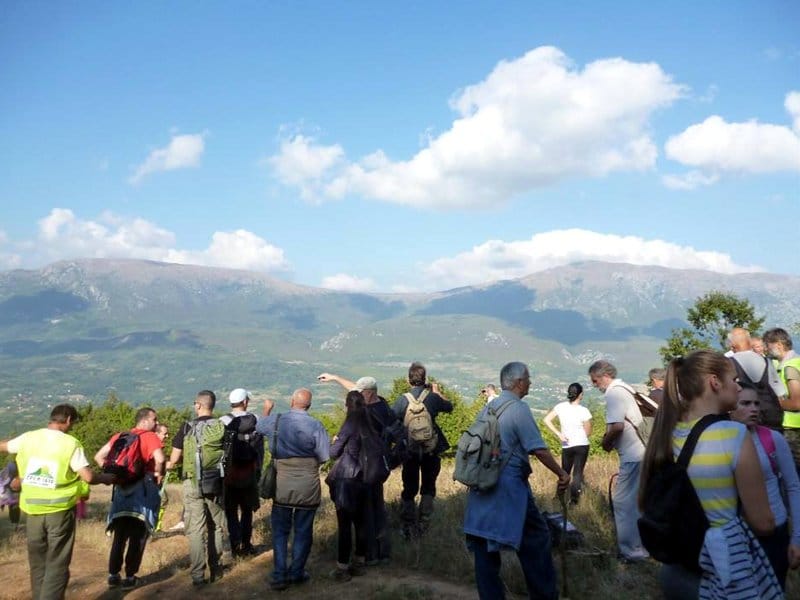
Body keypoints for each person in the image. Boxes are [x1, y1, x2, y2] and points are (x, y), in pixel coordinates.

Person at [639, 350, 781, 599]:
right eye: (734, 380)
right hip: (719, 572)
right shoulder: (733, 434)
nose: (738, 388)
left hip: (676, 570)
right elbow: (763, 523)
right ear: (714, 382)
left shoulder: (665, 433)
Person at [463, 361, 570, 600]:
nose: (530, 382)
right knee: (536, 540)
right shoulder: (519, 409)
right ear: (519, 382)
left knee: (483, 545)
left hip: (481, 486)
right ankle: (544, 595)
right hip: (510, 490)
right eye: (528, 378)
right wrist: (562, 474)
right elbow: (539, 450)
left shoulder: (489, 408)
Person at [0, 404, 114, 600]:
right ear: (68, 419)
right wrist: (105, 478)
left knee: (38, 562)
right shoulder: (71, 443)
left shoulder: (29, 437)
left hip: (32, 510)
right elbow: (87, 477)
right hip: (60, 511)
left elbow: (4, 446)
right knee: (57, 563)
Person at [317, 372, 401, 564]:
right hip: (377, 468)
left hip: (362, 470)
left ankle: (372, 555)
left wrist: (337, 441)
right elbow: (355, 392)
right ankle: (378, 554)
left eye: (361, 392)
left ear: (369, 394)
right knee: (375, 510)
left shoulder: (368, 413)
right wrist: (335, 378)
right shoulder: (384, 406)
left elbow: (335, 451)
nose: (358, 395)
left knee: (369, 514)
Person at [256, 389, 330, 591]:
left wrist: (267, 409)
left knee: (280, 531)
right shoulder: (316, 425)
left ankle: (279, 575)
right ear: (310, 405)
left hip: (282, 482)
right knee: (303, 530)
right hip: (308, 483)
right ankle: (297, 572)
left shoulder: (276, 421)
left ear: (291, 402)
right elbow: (324, 456)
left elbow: (259, 426)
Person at [731, 383, 800, 589]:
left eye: (756, 404)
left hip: (774, 532)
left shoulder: (772, 438)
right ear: (729, 408)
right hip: (737, 535)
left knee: (773, 589)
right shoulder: (719, 439)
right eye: (745, 403)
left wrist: (797, 538)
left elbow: (793, 486)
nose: (754, 408)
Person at [95, 407, 165, 589]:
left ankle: (113, 575)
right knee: (138, 536)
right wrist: (158, 474)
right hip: (141, 493)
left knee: (120, 536)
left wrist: (116, 474)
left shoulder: (120, 436)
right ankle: (130, 577)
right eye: (154, 420)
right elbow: (160, 458)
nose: (156, 423)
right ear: (144, 421)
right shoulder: (149, 437)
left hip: (120, 493)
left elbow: (99, 457)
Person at [588, 360, 649, 562]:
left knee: (623, 503)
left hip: (632, 456)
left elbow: (617, 427)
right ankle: (642, 546)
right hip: (641, 453)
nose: (595, 385)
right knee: (637, 502)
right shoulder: (625, 389)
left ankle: (631, 551)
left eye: (595, 381)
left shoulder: (614, 393)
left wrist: (605, 444)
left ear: (604, 376)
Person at [168, 390, 229, 587]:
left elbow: (175, 459)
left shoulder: (186, 427)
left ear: (198, 405)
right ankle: (217, 569)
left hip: (192, 482)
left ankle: (197, 576)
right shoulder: (221, 426)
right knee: (215, 526)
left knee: (195, 529)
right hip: (215, 481)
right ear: (212, 405)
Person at [392, 362, 453, 538]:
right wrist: (437, 392)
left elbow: (391, 419)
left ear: (408, 380)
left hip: (409, 451)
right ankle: (424, 524)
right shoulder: (433, 398)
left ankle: (407, 525)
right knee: (428, 486)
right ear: (425, 378)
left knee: (409, 488)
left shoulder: (402, 400)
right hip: (430, 450)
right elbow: (449, 407)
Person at [326, 390, 377, 582]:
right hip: (365, 478)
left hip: (347, 479)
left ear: (347, 405)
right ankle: (360, 561)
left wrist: (333, 442)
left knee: (345, 524)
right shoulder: (369, 423)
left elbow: (333, 452)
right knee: (361, 522)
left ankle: (342, 567)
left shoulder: (349, 424)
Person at [220, 388, 263, 557]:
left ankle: (234, 544)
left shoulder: (223, 421)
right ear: (245, 402)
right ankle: (246, 544)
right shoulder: (256, 420)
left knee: (230, 511)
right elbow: (259, 448)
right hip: (249, 473)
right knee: (247, 510)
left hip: (230, 474)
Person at [726, 327, 786, 430]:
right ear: (749, 342)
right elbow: (780, 393)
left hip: (744, 422)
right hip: (771, 419)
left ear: (732, 346)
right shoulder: (767, 361)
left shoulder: (729, 363)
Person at [543, 382, 592, 504]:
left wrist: (559, 434)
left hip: (567, 444)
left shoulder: (561, 407)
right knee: (577, 473)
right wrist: (581, 436)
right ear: (580, 395)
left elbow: (546, 420)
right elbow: (588, 430)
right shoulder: (584, 410)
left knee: (564, 472)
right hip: (582, 444)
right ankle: (574, 501)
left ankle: (558, 496)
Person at [763, 327, 800, 467]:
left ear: (779, 344)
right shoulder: (796, 361)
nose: (766, 349)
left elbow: (797, 403)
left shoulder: (790, 367)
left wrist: (775, 402)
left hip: (793, 427)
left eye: (768, 345)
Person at [0, 461, 20, 528]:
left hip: (15, 492)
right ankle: (14, 522)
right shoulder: (4, 473)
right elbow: (2, 485)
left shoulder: (19, 474)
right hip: (9, 491)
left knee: (15, 508)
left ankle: (15, 523)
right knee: (13, 507)